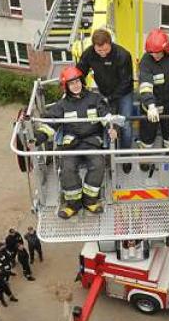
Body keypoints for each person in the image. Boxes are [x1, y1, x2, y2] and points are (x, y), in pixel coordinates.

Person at [32, 66, 117, 219]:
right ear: (66, 87)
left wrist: (112, 128)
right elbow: (51, 124)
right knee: (67, 169)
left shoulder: (95, 98)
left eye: (77, 81)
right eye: (72, 84)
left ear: (82, 82)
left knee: (98, 165)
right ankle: (73, 204)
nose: (76, 85)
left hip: (92, 142)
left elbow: (106, 115)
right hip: (71, 144)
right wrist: (36, 138)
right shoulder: (62, 105)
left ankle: (90, 200)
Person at [77, 28, 134, 173]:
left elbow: (126, 82)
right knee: (107, 126)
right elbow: (80, 72)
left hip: (123, 94)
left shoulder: (123, 55)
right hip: (104, 92)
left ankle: (125, 157)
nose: (102, 53)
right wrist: (79, 88)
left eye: (105, 50)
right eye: (99, 51)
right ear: (94, 47)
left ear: (110, 43)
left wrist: (110, 99)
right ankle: (110, 157)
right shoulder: (90, 53)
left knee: (125, 125)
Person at [138, 29, 169, 157]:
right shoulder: (146, 62)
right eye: (152, 53)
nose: (155, 56)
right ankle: (145, 158)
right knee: (148, 135)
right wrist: (151, 106)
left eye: (158, 52)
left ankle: (168, 155)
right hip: (152, 108)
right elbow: (145, 86)